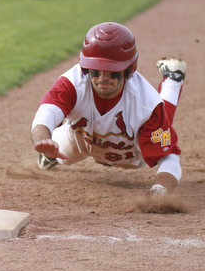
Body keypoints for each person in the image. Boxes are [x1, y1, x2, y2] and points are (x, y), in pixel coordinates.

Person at [31, 22, 186, 198]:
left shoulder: (146, 103)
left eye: (112, 71)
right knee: (60, 154)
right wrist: (43, 139)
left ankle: (173, 81)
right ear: (85, 67)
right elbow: (47, 112)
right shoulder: (73, 84)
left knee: (161, 118)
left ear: (129, 69)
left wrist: (158, 193)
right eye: (96, 70)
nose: (103, 78)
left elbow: (170, 157)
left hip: (132, 156)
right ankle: (51, 156)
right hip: (80, 142)